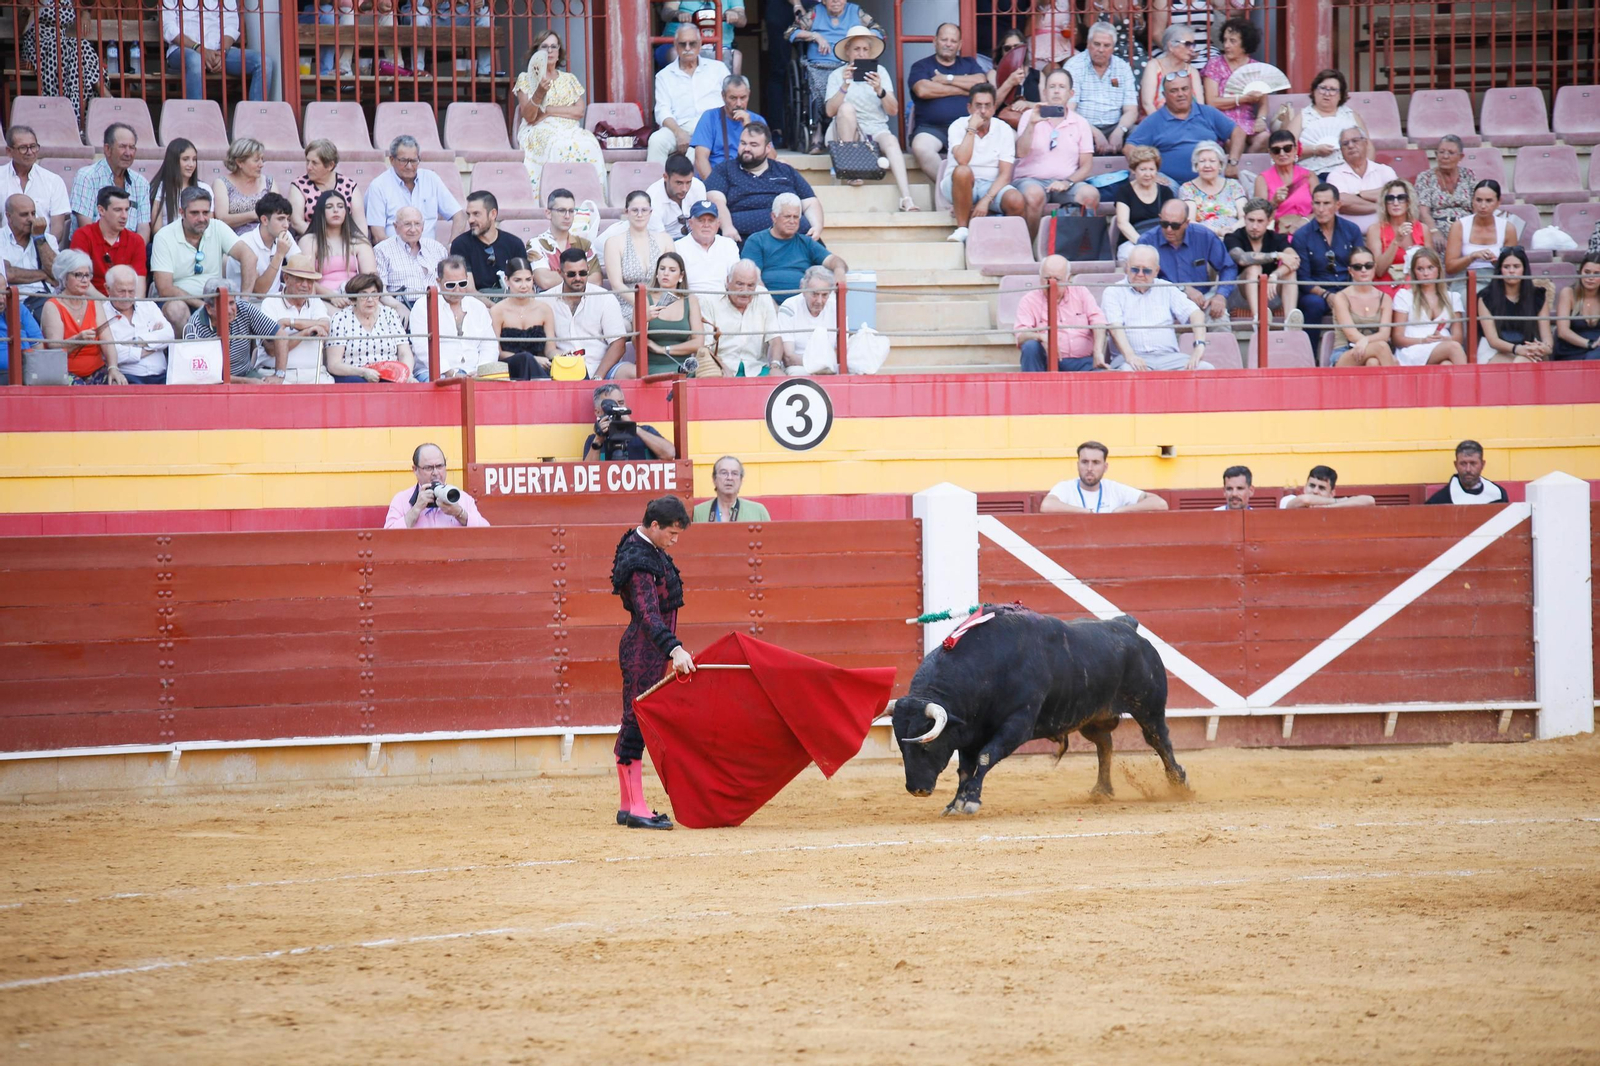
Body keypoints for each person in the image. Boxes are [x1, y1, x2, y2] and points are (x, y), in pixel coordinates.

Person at [609, 494, 695, 830]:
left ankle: (629, 804)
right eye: (672, 533)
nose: (675, 540)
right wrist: (674, 649)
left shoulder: (647, 548)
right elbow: (647, 614)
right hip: (644, 650)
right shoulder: (639, 556)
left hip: (649, 649)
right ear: (655, 525)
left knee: (636, 720)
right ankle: (637, 809)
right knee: (636, 723)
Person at [821, 28, 919, 212]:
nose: (861, 53)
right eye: (857, 49)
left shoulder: (879, 72)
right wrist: (845, 85)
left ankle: (907, 199)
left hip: (876, 128)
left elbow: (893, 110)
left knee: (891, 141)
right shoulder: (837, 75)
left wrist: (879, 90)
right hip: (846, 130)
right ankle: (852, 169)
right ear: (848, 52)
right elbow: (829, 111)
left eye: (866, 49)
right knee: (846, 108)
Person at [513, 31, 606, 203]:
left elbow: (579, 112)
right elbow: (530, 116)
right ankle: (554, 201)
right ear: (536, 51)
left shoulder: (569, 79)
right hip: (538, 129)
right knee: (557, 146)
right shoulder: (526, 78)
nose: (549, 51)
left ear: (559, 52)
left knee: (590, 143)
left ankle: (588, 200)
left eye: (553, 46)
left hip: (570, 128)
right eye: (544, 46)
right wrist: (539, 93)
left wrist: (547, 110)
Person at [149, 187, 258, 330]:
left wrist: (244, 302)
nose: (201, 218)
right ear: (182, 212)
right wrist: (202, 305)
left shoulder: (217, 227)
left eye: (206, 213)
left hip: (213, 300)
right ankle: (187, 352)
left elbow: (249, 256)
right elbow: (165, 289)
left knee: (243, 313)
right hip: (179, 301)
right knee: (177, 309)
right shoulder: (164, 237)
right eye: (195, 213)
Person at [1009, 69, 1100, 240]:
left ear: (1070, 93)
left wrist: (1067, 182)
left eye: (1061, 87)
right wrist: (1032, 125)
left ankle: (1077, 249)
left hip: (1066, 182)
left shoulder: (1080, 122)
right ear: (1044, 92)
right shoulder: (1029, 115)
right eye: (1052, 87)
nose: (1056, 91)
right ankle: (1029, 246)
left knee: (1090, 195)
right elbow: (1020, 152)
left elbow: (1086, 165)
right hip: (1030, 179)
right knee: (1034, 195)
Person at [786, 0, 884, 154]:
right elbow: (791, 32)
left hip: (848, 64)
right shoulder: (815, 13)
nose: (836, 1)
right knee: (816, 84)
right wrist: (814, 35)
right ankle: (817, 131)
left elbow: (879, 31)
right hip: (819, 65)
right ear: (823, 1)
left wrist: (862, 36)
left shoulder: (856, 12)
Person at [1101, 245, 1214, 370]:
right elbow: (1115, 329)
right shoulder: (1113, 292)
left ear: (1156, 271)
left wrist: (1199, 346)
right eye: (1135, 269)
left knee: (1205, 368)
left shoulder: (1167, 288)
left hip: (1169, 358)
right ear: (1126, 267)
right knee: (1128, 371)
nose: (1140, 274)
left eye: (1147, 271)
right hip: (1128, 359)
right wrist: (1130, 356)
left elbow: (1196, 313)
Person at [706, 122, 823, 241]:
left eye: (753, 145)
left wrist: (816, 227)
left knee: (830, 259)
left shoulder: (785, 171)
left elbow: (809, 202)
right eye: (743, 143)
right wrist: (727, 227)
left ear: (768, 148)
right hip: (743, 238)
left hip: (792, 238)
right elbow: (716, 200)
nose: (746, 149)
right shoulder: (725, 169)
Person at [909, 23, 993, 180]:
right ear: (935, 41)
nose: (948, 44)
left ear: (960, 45)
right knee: (921, 147)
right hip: (932, 128)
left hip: (967, 126)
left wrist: (946, 79)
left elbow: (981, 84)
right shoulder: (921, 66)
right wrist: (963, 89)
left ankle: (971, 192)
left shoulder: (969, 63)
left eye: (953, 41)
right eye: (944, 39)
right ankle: (949, 191)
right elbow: (923, 90)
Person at [1125, 72, 1242, 185]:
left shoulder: (1208, 112)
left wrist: (1232, 162)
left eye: (1184, 89)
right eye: (1174, 91)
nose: (1180, 94)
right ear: (1164, 95)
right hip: (1169, 183)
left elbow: (1238, 132)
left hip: (1209, 180)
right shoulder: (1154, 120)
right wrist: (1148, 173)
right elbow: (1129, 147)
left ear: (1192, 91)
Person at [943, 84, 1022, 245]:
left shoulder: (1004, 129)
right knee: (963, 171)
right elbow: (962, 161)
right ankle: (962, 228)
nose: (983, 111)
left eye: (988, 106)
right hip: (957, 183)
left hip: (991, 185)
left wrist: (986, 200)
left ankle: (1009, 243)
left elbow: (1005, 174)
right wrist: (971, 129)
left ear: (994, 108)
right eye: (978, 106)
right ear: (969, 108)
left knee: (1016, 200)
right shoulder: (958, 126)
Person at [1138, 198, 1237, 322]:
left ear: (1187, 223)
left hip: (1202, 299)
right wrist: (1182, 288)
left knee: (1219, 317)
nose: (1169, 229)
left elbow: (1228, 267)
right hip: (1162, 300)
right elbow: (1141, 279)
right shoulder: (1147, 241)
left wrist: (1221, 295)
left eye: (1175, 225)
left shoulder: (1204, 236)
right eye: (1164, 224)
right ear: (1159, 218)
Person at [180, 275, 291, 384]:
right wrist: (245, 382)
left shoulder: (244, 308)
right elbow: (203, 374)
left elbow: (281, 335)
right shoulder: (195, 326)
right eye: (223, 304)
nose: (229, 310)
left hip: (246, 374)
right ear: (209, 309)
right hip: (212, 382)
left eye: (232, 303)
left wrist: (279, 374)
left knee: (270, 392)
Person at [544, 246, 631, 379]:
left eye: (583, 273)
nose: (578, 278)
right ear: (560, 273)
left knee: (632, 373)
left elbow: (618, 344)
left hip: (601, 368)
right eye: (571, 274)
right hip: (562, 369)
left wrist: (598, 377)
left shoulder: (605, 297)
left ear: (588, 270)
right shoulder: (545, 300)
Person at [651, 25, 733, 162]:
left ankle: (691, 183)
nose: (687, 48)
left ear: (700, 45)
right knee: (656, 141)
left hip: (712, 126)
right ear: (676, 46)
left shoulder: (718, 69)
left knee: (693, 151)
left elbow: (731, 99)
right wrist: (679, 133)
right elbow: (662, 111)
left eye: (692, 43)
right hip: (679, 126)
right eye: (683, 44)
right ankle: (656, 183)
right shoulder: (663, 76)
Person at [739, 194, 846, 298]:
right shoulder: (757, 241)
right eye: (787, 216)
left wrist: (839, 271)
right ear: (774, 217)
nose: (792, 221)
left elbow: (833, 260)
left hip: (804, 306)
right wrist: (772, 307)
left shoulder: (806, 242)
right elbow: (754, 280)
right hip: (767, 306)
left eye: (796, 217)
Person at [365, 136, 466, 245]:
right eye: (403, 160)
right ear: (392, 160)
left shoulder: (431, 179)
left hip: (429, 254)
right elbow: (378, 236)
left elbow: (459, 215)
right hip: (394, 255)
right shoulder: (378, 186)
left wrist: (452, 246)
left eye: (413, 160)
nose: (409, 166)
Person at [1016, 254, 1109, 371]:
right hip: (1047, 361)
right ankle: (1034, 387)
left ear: (1068, 279)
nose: (1051, 283)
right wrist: (1041, 337)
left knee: (1103, 375)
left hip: (1082, 361)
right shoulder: (1029, 300)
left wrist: (1098, 352)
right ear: (1039, 277)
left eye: (1057, 279)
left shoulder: (1081, 292)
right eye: (1047, 278)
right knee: (1030, 346)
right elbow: (1020, 335)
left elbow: (1099, 322)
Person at [162, 0, 266, 101]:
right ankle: (195, 117)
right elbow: (169, 29)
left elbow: (231, 25)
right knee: (196, 61)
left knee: (263, 63)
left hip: (217, 51)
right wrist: (199, 49)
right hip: (184, 49)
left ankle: (257, 117)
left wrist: (222, 52)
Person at [21, 0, 106, 123]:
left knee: (80, 56)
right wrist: (27, 13)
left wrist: (85, 13)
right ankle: (100, 93)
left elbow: (82, 5)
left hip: (63, 47)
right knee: (77, 50)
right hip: (39, 46)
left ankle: (78, 117)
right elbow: (20, 29)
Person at [1291, 183, 1363, 327]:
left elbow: (1360, 266)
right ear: (1312, 205)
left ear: (1338, 205)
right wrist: (1326, 295)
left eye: (1326, 203)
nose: (1321, 209)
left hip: (1348, 289)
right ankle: (1309, 349)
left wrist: (1348, 294)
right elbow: (1303, 279)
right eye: (1317, 203)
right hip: (1317, 293)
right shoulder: (1301, 236)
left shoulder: (1352, 230)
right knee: (1313, 304)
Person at [411, 256, 496, 377]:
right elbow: (422, 347)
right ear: (438, 281)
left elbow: (489, 346)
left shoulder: (478, 307)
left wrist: (481, 371)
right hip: (435, 373)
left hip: (473, 372)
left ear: (467, 279)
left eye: (462, 283)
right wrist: (450, 372)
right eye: (451, 285)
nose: (457, 289)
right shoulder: (423, 305)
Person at [699, 260, 786, 376]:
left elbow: (775, 339)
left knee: (778, 376)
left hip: (756, 368)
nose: (745, 291)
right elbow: (705, 347)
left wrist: (775, 365)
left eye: (750, 285)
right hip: (721, 367)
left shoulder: (763, 295)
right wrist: (722, 368)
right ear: (727, 281)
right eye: (740, 284)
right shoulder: (709, 300)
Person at [324, 273, 415, 383]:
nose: (370, 299)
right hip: (355, 375)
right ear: (353, 299)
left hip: (389, 374)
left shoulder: (390, 314)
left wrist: (406, 374)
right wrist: (363, 372)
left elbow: (405, 353)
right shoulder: (340, 318)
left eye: (374, 294)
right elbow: (334, 365)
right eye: (364, 295)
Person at [1065, 22, 1139, 154]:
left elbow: (1131, 110)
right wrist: (1094, 133)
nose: (1101, 49)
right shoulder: (1074, 66)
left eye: (1106, 45)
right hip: (1083, 126)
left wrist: (1119, 132)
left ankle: (1139, 174)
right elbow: (1069, 111)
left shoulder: (1123, 67)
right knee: (1068, 133)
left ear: (1113, 47)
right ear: (1088, 44)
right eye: (1097, 44)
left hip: (1116, 126)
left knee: (1139, 134)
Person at [40, 250, 111, 384]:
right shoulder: (52, 306)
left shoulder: (94, 303)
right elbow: (54, 347)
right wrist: (77, 340)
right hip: (64, 372)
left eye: (87, 275)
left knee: (117, 383)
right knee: (80, 391)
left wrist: (113, 367)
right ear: (64, 277)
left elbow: (108, 341)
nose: (85, 280)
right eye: (78, 275)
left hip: (97, 370)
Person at [71, 122, 152, 240]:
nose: (128, 153)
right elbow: (85, 226)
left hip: (129, 252)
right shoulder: (86, 177)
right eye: (122, 146)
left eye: (132, 147)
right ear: (107, 149)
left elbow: (144, 228)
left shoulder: (141, 183)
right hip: (94, 250)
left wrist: (134, 252)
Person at [259, 255, 333, 384]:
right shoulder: (270, 303)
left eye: (310, 281)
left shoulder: (315, 301)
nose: (305, 285)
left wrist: (289, 322)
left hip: (315, 374)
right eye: (300, 280)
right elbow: (271, 349)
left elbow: (325, 326)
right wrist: (305, 333)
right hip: (276, 374)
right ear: (286, 279)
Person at [604, 190, 672, 330]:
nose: (640, 214)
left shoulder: (665, 239)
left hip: (659, 304)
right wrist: (643, 304)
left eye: (644, 210)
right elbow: (616, 284)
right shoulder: (614, 242)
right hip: (627, 305)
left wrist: (657, 305)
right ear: (626, 211)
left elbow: (673, 276)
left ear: (651, 212)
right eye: (635, 210)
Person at [1225, 198, 1300, 324]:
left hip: (1270, 293)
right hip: (1240, 296)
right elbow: (1242, 259)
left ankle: (1290, 322)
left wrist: (1276, 275)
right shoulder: (1233, 237)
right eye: (1251, 220)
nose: (1254, 226)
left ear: (1269, 221)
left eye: (1260, 221)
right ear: (1244, 218)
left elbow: (1295, 259)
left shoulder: (1276, 238)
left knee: (1290, 272)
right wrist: (1277, 255)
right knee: (1254, 268)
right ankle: (1258, 320)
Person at [1201, 17, 1269, 154]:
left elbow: (1263, 102)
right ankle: (1236, 167)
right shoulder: (1215, 65)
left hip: (1246, 119)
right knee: (1231, 140)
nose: (1226, 45)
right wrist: (1242, 99)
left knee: (1264, 137)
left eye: (1232, 41)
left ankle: (1247, 164)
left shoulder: (1255, 67)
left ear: (1245, 44)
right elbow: (1212, 102)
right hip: (1222, 120)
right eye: (1225, 40)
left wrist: (1261, 119)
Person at [1041, 440, 1169, 512]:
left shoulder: (1114, 489)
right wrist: (1085, 512)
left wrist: (1121, 511)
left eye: (1096, 463)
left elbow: (1160, 504)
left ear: (1105, 467)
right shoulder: (1065, 487)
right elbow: (1046, 506)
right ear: (1078, 464)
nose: (1089, 468)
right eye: (1085, 462)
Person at [299, 189, 376, 309]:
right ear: (321, 212)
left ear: (346, 212)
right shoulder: (309, 241)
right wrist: (332, 296)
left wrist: (355, 298)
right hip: (322, 300)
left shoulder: (359, 241)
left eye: (340, 206)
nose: (336, 210)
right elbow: (306, 281)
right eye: (329, 207)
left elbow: (371, 279)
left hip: (358, 298)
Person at [1390, 247, 1467, 366]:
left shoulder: (1453, 297)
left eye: (1430, 268)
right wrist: (1423, 340)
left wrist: (1444, 339)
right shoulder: (1404, 296)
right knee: (1454, 348)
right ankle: (1472, 384)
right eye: (1420, 269)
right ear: (1414, 272)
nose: (1426, 273)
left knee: (1447, 364)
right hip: (1413, 349)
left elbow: (1458, 337)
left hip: (1443, 346)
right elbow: (1397, 338)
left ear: (1438, 270)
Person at [1476, 246, 1553, 364]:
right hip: (1493, 351)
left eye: (1516, 266)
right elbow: (1493, 340)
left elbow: (1546, 336)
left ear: (1524, 269)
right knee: (1523, 361)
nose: (1511, 271)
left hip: (1528, 348)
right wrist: (1518, 349)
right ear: (1500, 270)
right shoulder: (1486, 297)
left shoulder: (1537, 295)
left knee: (1529, 360)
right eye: (1506, 267)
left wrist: (1544, 347)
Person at [385, 443, 491, 528]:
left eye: (440, 466)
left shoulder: (462, 498)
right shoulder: (401, 500)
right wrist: (416, 509)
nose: (435, 473)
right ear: (415, 470)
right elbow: (387, 538)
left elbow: (486, 534)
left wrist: (459, 513)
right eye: (428, 468)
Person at [1272, 68, 1366, 163]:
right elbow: (1286, 148)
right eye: (1322, 88)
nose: (1327, 93)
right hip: (1313, 173)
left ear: (1340, 95)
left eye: (1333, 90)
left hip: (1347, 172)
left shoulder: (1351, 116)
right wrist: (1314, 150)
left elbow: (1368, 147)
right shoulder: (1303, 117)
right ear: (1314, 91)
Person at [101, 265, 176, 385]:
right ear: (107, 288)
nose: (127, 297)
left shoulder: (148, 305)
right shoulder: (101, 312)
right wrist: (154, 345)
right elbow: (113, 354)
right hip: (128, 378)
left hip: (163, 376)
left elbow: (169, 335)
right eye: (121, 291)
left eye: (131, 291)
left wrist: (137, 342)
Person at [69, 186, 148, 297]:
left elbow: (139, 282)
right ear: (101, 210)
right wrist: (109, 305)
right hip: (92, 301)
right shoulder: (83, 236)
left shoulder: (136, 241)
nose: (124, 216)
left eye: (127, 210)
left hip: (126, 304)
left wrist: (134, 306)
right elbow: (81, 281)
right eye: (118, 210)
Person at [374, 206, 448, 322]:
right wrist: (398, 307)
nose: (413, 229)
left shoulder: (437, 248)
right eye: (407, 224)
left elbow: (448, 283)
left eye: (417, 224)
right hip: (403, 307)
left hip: (437, 306)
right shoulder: (382, 250)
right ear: (396, 227)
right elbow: (379, 290)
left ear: (423, 227)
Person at [642, 251, 711, 375]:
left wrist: (663, 349)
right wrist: (645, 320)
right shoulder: (645, 298)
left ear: (681, 275)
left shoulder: (690, 300)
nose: (666, 273)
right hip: (651, 367)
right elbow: (638, 342)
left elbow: (698, 342)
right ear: (656, 273)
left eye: (672, 270)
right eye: (662, 269)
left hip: (684, 368)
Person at [0, 125, 71, 242]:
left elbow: (57, 228)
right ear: (9, 151)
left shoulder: (53, 181)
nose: (30, 152)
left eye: (33, 147)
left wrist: (46, 250)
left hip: (42, 248)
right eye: (23, 148)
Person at [691, 75, 768, 181]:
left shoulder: (757, 120)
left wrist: (749, 127)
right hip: (719, 178)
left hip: (750, 180)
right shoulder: (710, 117)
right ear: (723, 96)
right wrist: (714, 186)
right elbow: (701, 159)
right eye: (733, 98)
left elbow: (771, 158)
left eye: (743, 98)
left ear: (749, 94)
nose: (739, 103)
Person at [490, 257, 556, 379]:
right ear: (507, 280)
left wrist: (564, 356)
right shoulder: (497, 311)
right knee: (526, 359)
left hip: (541, 367)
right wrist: (533, 359)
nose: (524, 286)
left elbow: (550, 349)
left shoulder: (544, 309)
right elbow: (497, 352)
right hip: (509, 369)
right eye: (517, 280)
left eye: (528, 280)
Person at [1365, 179, 1433, 298]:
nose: (1395, 203)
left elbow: (1432, 267)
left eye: (1401, 197)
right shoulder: (1374, 230)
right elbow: (1379, 271)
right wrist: (1396, 241)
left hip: (1418, 286)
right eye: (1390, 198)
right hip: (1387, 287)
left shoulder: (1423, 229)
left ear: (1408, 201)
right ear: (1384, 203)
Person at [448, 191, 525, 295]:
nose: (470, 220)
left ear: (493, 214)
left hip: (512, 303)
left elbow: (525, 286)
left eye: (476, 214)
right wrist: (496, 309)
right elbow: (469, 291)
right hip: (477, 306)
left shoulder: (514, 244)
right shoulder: (460, 244)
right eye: (468, 215)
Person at [1327, 248, 1394, 367]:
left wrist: (1366, 341)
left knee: (1373, 363)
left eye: (1368, 265)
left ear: (1374, 267)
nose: (1364, 270)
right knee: (1382, 347)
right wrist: (1367, 342)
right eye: (1358, 267)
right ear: (1350, 271)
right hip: (1344, 352)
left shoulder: (1385, 298)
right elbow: (1351, 334)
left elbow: (1385, 334)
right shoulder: (1341, 297)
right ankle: (1397, 385)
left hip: (1375, 353)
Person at [286, 140, 366, 239]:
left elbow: (360, 223)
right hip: (312, 240)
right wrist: (326, 239)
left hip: (346, 242)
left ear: (330, 165)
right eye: (307, 161)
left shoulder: (349, 186)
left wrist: (359, 243)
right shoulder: (298, 185)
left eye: (314, 163)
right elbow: (297, 223)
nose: (309, 167)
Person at [1444, 180, 1517, 285]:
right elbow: (1450, 268)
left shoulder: (1508, 228)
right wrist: (1472, 256)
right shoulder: (1459, 226)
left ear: (1498, 202)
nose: (1483, 206)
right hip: (1465, 278)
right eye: (1478, 200)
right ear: (1472, 201)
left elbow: (1512, 266)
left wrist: (1497, 262)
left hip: (1497, 279)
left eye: (1488, 201)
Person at [529, 188, 603, 291]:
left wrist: (558, 276)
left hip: (583, 304)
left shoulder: (585, 245)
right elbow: (545, 281)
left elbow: (597, 281)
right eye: (561, 210)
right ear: (548, 213)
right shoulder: (536, 244)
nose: (567, 216)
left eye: (571, 211)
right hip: (549, 304)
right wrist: (580, 278)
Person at [225, 191, 295, 297]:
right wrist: (279, 255)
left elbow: (300, 262)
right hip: (249, 306)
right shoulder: (246, 243)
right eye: (281, 219)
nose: (286, 225)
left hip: (275, 303)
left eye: (288, 219)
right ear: (264, 220)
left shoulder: (284, 234)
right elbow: (259, 292)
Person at [1324, 128, 1396, 229]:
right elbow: (1342, 203)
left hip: (1385, 235)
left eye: (1355, 141)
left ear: (1366, 143)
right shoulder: (1336, 175)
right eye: (1345, 143)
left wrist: (1358, 195)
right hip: (1349, 238)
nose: (1350, 146)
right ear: (1341, 150)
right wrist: (1382, 206)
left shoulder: (1384, 170)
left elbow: (1393, 195)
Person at [583, 384, 677, 460]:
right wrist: (598, 441)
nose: (618, 408)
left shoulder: (646, 431)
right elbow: (586, 475)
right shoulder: (593, 440)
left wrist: (634, 428)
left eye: (621, 403)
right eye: (610, 405)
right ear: (598, 412)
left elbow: (669, 454)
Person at [2, 194, 59, 317]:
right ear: (8, 216)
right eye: (24, 215)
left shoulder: (47, 239)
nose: (31, 219)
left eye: (33, 213)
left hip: (46, 299)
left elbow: (57, 274)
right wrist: (43, 274)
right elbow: (8, 274)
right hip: (12, 302)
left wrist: (40, 238)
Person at [1414, 135, 1477, 246]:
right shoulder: (1425, 177)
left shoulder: (1468, 175)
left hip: (1467, 228)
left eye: (1451, 153)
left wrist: (1477, 229)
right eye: (1441, 152)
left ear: (1461, 157)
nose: (1445, 156)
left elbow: (1477, 205)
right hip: (1438, 229)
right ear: (1436, 155)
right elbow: (1423, 212)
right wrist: (1434, 231)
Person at [1113, 145, 1175, 252]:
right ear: (1133, 170)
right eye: (1143, 169)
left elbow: (1171, 222)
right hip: (1132, 241)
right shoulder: (1124, 191)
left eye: (1151, 169)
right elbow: (1123, 223)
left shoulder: (1166, 192)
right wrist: (1143, 243)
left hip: (1161, 240)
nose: (1147, 174)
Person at [776, 265, 839, 370]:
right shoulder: (789, 307)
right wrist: (818, 365)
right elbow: (789, 357)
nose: (819, 301)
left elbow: (840, 352)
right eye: (815, 294)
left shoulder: (836, 308)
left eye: (824, 295)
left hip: (830, 367)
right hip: (799, 367)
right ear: (803, 290)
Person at [1178, 139, 1247, 236]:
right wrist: (1217, 232)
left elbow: (1245, 216)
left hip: (1235, 235)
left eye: (1212, 161)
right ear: (1196, 165)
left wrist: (1231, 231)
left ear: (1220, 165)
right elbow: (1190, 222)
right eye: (1202, 161)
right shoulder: (1188, 188)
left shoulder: (1233, 185)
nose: (1207, 165)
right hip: (1203, 237)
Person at [656, 0, 747, 72]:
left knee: (736, 57)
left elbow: (742, 20)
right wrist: (677, 14)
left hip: (720, 47)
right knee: (674, 54)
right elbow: (666, 12)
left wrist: (735, 15)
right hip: (678, 44)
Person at [209, 138, 277, 235]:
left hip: (267, 237)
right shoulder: (221, 183)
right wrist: (253, 215)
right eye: (256, 160)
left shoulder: (269, 182)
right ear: (239, 162)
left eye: (262, 159)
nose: (261, 165)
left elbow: (278, 212)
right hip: (234, 239)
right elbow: (222, 219)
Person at [1252, 129, 1313, 234]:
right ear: (1270, 153)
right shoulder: (1262, 179)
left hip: (1309, 230)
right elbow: (1258, 216)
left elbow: (1322, 208)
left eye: (1287, 148)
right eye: (1276, 150)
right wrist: (1274, 202)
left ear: (1295, 149)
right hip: (1280, 234)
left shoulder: (1309, 176)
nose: (1282, 153)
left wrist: (1305, 221)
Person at [675, 200, 742, 294]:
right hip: (691, 301)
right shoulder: (678, 247)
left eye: (711, 221)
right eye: (701, 220)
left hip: (724, 300)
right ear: (691, 223)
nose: (706, 225)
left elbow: (736, 278)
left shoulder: (728, 244)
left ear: (718, 224)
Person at [1139, 24, 1203, 119]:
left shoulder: (1192, 72)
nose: (1192, 49)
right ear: (1171, 46)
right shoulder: (1153, 66)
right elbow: (1147, 104)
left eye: (1193, 45)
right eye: (1187, 44)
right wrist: (1165, 127)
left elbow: (1199, 106)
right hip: (1156, 123)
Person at [1425, 440, 1507, 505]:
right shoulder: (1439, 501)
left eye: (1473, 463)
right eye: (1463, 463)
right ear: (1456, 465)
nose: (1468, 469)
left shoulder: (1497, 495)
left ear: (1482, 464)